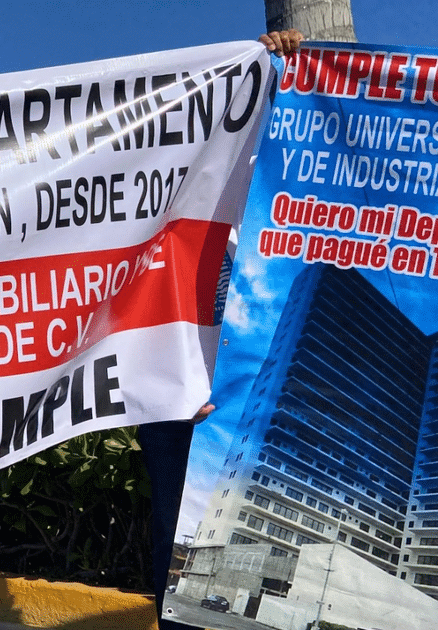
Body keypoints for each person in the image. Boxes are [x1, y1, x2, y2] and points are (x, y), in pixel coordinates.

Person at [140, 29, 303, 630]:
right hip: (176, 401)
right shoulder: (160, 191)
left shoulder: (280, 191)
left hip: (241, 405)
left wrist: (284, 61)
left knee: (248, 557)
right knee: (177, 552)